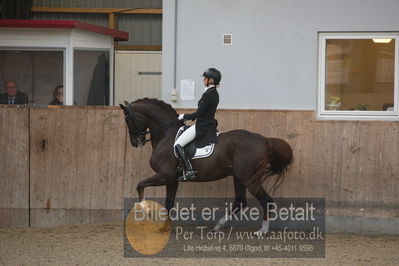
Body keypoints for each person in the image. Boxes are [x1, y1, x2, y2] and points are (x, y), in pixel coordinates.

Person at [174, 68, 221, 182]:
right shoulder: (212, 92)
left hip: (202, 126)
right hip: (207, 123)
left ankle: (189, 170)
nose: (203, 79)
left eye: (205, 78)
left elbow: (199, 113)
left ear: (210, 80)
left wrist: (184, 116)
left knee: (178, 144)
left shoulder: (210, 94)